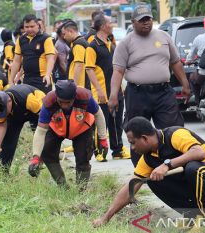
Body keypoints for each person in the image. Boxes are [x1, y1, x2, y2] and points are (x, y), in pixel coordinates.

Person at [93, 117, 205, 233]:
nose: (132, 148)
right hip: (200, 188)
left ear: (144, 138)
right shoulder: (148, 158)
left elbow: (199, 153)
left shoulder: (175, 135)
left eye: (133, 143)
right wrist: (105, 218)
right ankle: (191, 218)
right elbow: (130, 187)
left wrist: (167, 165)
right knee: (153, 179)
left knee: (194, 169)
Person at [108, 4, 191, 166]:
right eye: (142, 20)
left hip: (163, 93)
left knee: (174, 130)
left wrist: (185, 85)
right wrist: (113, 96)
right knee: (137, 133)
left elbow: (175, 63)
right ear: (133, 22)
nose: (146, 23)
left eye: (148, 19)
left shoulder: (164, 37)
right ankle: (142, 170)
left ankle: (175, 165)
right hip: (137, 94)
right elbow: (118, 71)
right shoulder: (126, 43)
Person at [28, 80, 108, 189]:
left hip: (82, 128)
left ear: (74, 97)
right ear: (56, 97)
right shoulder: (49, 101)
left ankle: (81, 190)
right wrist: (36, 157)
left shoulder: (85, 97)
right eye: (61, 102)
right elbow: (41, 131)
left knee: (83, 158)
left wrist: (103, 139)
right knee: (47, 153)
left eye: (68, 102)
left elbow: (99, 114)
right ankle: (63, 187)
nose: (65, 106)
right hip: (56, 128)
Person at [86, 14, 129, 162]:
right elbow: (89, 69)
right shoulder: (93, 46)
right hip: (102, 91)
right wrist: (98, 90)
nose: (113, 24)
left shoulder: (111, 42)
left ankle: (117, 150)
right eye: (111, 22)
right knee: (101, 122)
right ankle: (99, 151)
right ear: (103, 26)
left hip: (116, 90)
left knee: (117, 121)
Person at [0, 84, 45, 174]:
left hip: (36, 112)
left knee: (40, 138)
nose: (3, 114)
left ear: (9, 101)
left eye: (4, 112)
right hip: (16, 115)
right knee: (8, 142)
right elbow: (1, 125)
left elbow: (44, 120)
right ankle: (3, 172)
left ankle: (37, 166)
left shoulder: (29, 99)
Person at [9, 14, 56, 94]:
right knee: (29, 104)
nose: (29, 29)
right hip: (27, 79)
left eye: (32, 26)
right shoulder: (20, 40)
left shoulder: (45, 38)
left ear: (38, 25)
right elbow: (17, 61)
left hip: (42, 79)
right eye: (26, 27)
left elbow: (51, 59)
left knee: (43, 104)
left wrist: (48, 75)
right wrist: (11, 80)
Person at [62, 20, 90, 89]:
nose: (64, 37)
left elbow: (79, 65)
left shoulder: (79, 45)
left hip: (80, 85)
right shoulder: (78, 42)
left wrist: (74, 85)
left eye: (64, 34)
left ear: (71, 31)